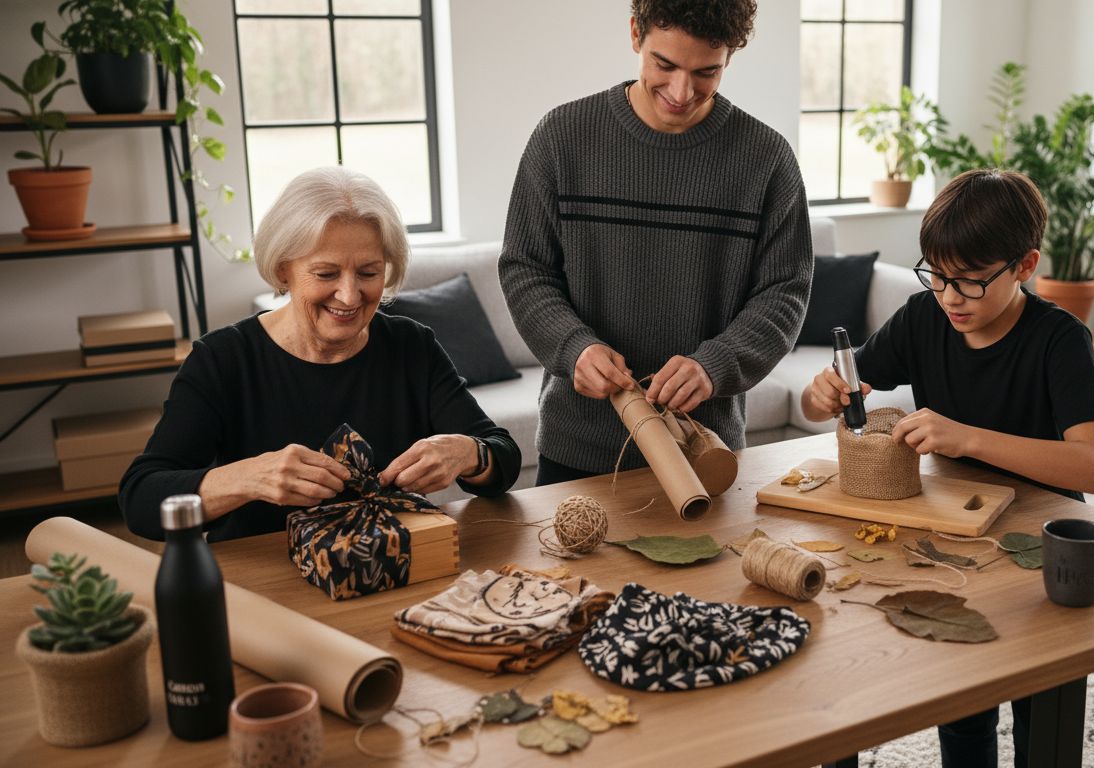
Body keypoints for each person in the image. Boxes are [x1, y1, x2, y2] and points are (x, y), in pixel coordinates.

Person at [800, 169, 1094, 767]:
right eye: (937, 276)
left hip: (1040, 548)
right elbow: (842, 389)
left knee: (1038, 703)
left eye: (970, 282)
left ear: (1025, 265)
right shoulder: (924, 318)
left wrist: (967, 439)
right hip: (959, 539)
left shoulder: (1058, 340)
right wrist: (820, 396)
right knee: (963, 700)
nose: (950, 297)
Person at [498, 0, 812, 486]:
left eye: (707, 71)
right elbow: (525, 268)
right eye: (664, 65)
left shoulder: (767, 159)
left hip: (704, 451)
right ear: (634, 35)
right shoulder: (561, 138)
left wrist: (716, 365)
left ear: (730, 57)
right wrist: (573, 347)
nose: (682, 92)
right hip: (576, 450)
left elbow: (784, 294)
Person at [120, 167, 521, 541]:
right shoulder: (224, 359)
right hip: (265, 586)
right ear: (282, 270)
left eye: (368, 273)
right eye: (326, 274)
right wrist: (248, 478)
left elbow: (501, 455)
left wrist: (470, 453)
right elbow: (140, 498)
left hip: (396, 569)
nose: (349, 296)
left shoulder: (410, 345)